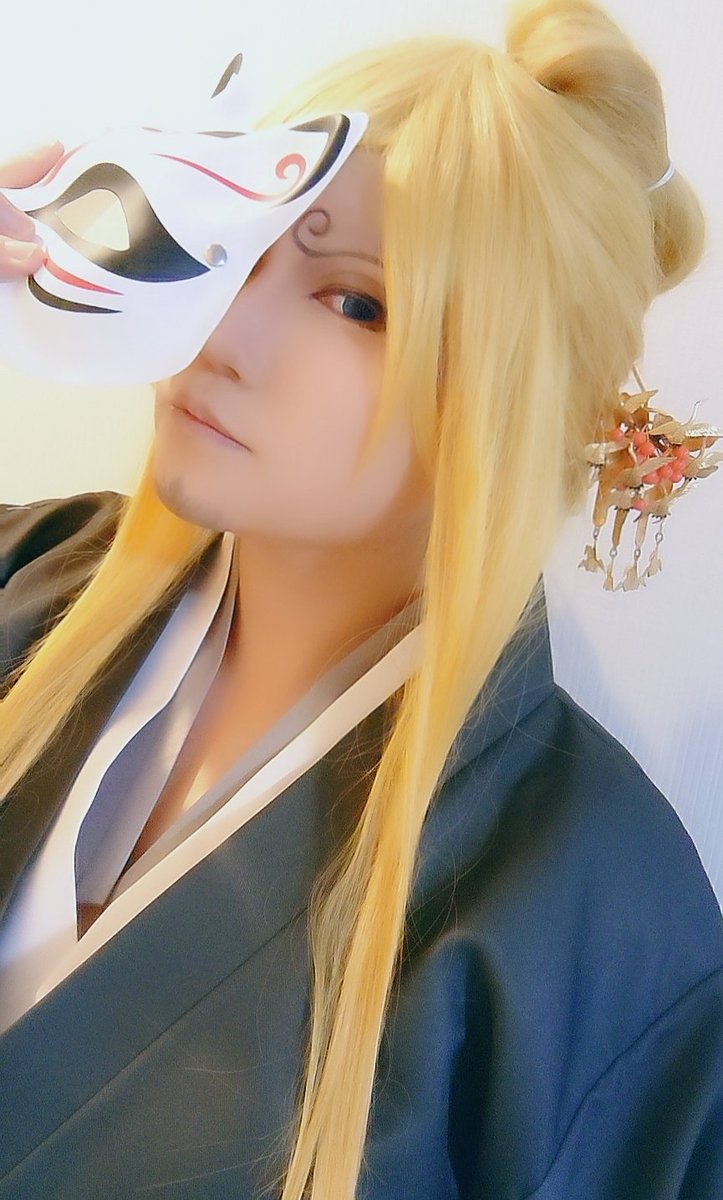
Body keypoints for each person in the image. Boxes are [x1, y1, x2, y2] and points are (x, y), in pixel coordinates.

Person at [0, 1, 721, 1197]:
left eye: (355, 301)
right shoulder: (26, 579)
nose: (223, 326)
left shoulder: (598, 919)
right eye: (241, 248)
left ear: (508, 399)